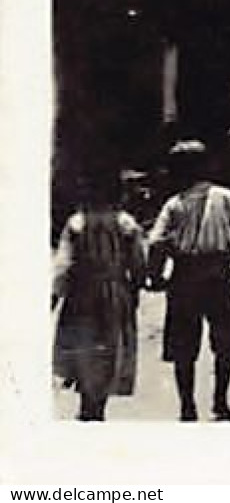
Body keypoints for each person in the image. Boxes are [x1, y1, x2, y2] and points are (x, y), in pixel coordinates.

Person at [147, 139, 230, 422]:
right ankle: (220, 402)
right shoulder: (226, 198)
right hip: (219, 276)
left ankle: (188, 406)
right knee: (225, 341)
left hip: (184, 277)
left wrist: (156, 275)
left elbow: (156, 242)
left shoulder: (173, 205)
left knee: (184, 346)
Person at [51, 170, 145, 421]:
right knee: (108, 348)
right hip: (114, 293)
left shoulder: (77, 223)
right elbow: (138, 261)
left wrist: (55, 294)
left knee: (85, 346)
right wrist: (136, 287)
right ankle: (96, 405)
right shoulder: (126, 223)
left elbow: (64, 263)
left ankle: (87, 402)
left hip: (82, 294)